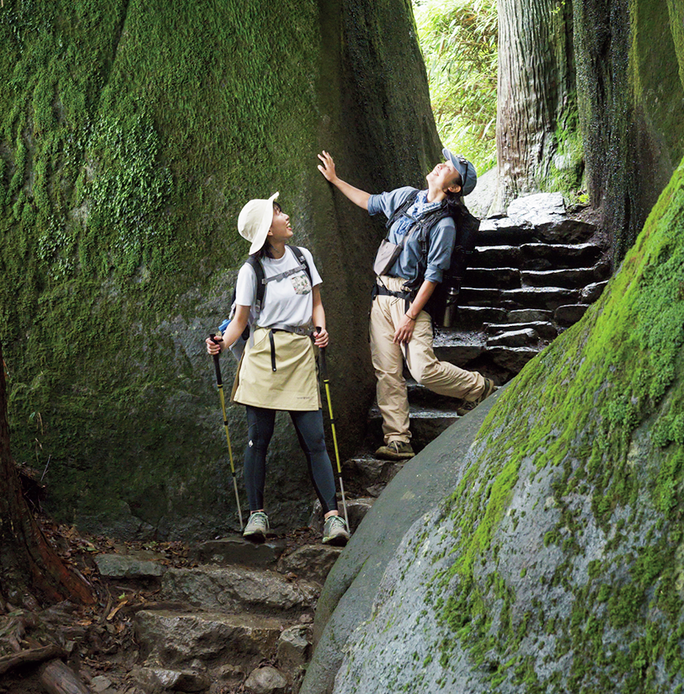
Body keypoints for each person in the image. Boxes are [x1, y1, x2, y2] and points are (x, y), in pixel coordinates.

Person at [317, 148, 497, 460]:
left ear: (454, 187)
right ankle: (398, 439)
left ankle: (478, 387)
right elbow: (369, 202)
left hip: (412, 301)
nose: (442, 164)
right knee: (386, 371)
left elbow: (434, 275)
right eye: (444, 162)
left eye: (450, 167)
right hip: (381, 297)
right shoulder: (405, 198)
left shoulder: (445, 225)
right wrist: (335, 179)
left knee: (423, 369)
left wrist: (411, 316)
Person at [206, 196, 350, 544]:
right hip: (262, 357)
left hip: (300, 353)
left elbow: (316, 303)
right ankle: (257, 516)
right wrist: (221, 343)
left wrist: (321, 328)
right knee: (258, 439)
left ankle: (333, 519)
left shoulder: (303, 257)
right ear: (269, 230)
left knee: (315, 439)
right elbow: (240, 322)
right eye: (278, 213)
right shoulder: (250, 271)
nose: (286, 216)